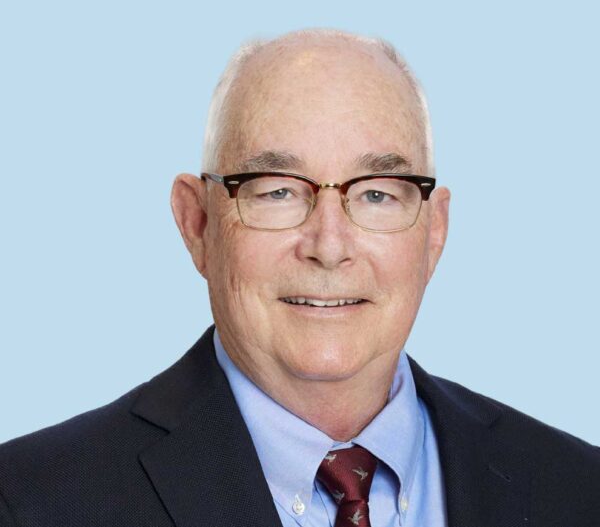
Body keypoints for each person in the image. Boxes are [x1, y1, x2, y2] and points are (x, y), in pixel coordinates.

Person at [0, 28, 598, 527]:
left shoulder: (575, 490)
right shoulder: (33, 499)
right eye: (278, 191)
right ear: (197, 222)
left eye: (378, 195)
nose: (329, 246)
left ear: (434, 231)